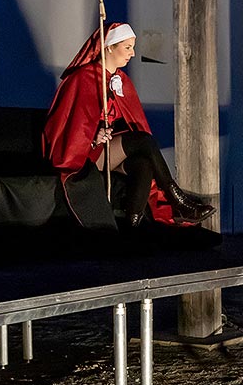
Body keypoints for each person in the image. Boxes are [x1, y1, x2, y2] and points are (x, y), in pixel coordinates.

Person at [43, 22, 215, 230]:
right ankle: (177, 200)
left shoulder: (121, 81)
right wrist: (93, 137)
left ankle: (132, 227)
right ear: (109, 48)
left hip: (109, 152)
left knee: (143, 162)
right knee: (143, 140)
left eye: (133, 47)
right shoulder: (83, 78)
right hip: (86, 154)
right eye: (127, 47)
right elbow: (70, 125)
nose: (132, 53)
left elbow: (131, 121)